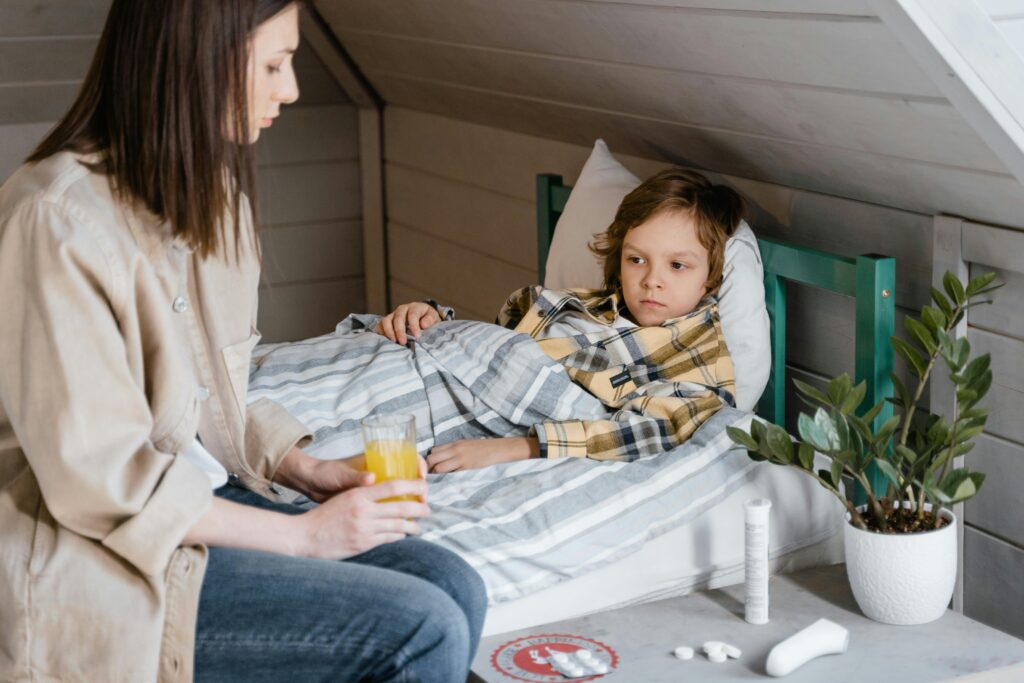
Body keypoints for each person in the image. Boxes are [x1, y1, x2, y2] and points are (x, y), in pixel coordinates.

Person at [0, 2, 485, 682]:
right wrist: (303, 536)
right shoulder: (54, 219)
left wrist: (307, 470)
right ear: (194, 62)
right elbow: (101, 482)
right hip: (100, 555)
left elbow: (210, 386)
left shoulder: (211, 192)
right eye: (273, 65)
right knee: (422, 625)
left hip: (197, 505)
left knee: (453, 583)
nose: (289, 89)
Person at [377, 168, 740, 472]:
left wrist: (521, 448)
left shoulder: (699, 354)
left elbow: (657, 429)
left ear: (709, 277)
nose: (651, 280)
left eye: (677, 265)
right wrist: (433, 320)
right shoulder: (575, 304)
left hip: (510, 427)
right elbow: (497, 344)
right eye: (637, 259)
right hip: (422, 370)